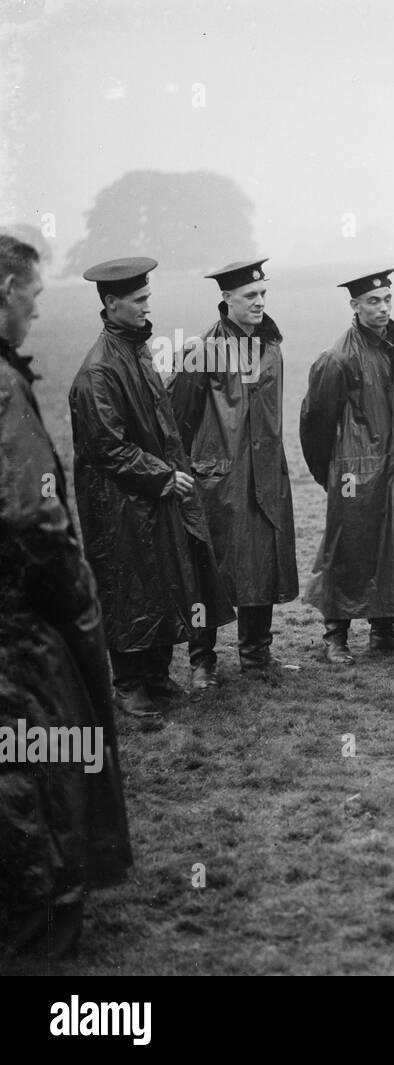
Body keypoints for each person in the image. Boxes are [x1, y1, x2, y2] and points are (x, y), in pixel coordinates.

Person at [0, 234, 132, 959]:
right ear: (4, 296)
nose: (35, 312)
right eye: (32, 296)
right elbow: (29, 514)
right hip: (20, 626)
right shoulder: (0, 385)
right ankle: (39, 919)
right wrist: (71, 593)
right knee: (39, 770)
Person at [68, 258, 234, 716]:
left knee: (164, 581)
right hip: (120, 504)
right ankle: (128, 684)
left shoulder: (136, 351)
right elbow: (108, 447)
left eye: (147, 298)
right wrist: (162, 476)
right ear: (111, 302)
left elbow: (162, 423)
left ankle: (158, 676)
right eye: (138, 301)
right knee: (128, 587)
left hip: (156, 496)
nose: (146, 307)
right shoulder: (99, 372)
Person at [169, 259, 299, 688]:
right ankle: (202, 661)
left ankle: (257, 656)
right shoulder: (202, 350)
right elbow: (178, 418)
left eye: (263, 294)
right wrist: (189, 472)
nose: (259, 302)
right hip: (217, 481)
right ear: (227, 299)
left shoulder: (271, 345)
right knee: (210, 568)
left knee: (262, 563)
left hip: (265, 475)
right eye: (250, 296)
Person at [300, 268, 394, 663]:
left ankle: (383, 631)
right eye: (373, 301)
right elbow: (315, 422)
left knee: (392, 546)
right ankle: (335, 636)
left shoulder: (393, 345)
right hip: (354, 472)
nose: (383, 307)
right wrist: (332, 473)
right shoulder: (337, 358)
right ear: (355, 306)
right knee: (346, 549)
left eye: (387, 299)